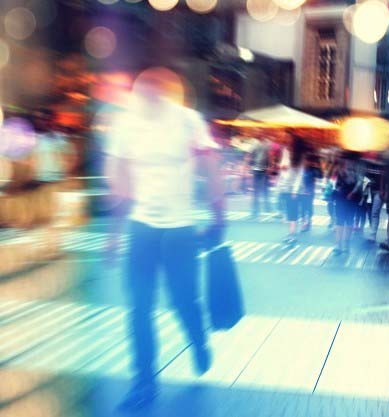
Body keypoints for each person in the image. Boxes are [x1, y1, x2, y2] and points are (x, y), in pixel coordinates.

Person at [104, 67, 226, 410]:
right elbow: (121, 182)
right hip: (141, 228)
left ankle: (198, 338)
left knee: (182, 299)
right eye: (143, 91)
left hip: (180, 230)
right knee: (138, 307)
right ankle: (144, 382)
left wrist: (220, 216)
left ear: (167, 92)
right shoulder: (124, 125)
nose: (148, 96)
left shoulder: (188, 121)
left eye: (155, 90)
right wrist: (114, 235)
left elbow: (211, 168)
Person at [333, 155, 363, 254]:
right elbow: (334, 180)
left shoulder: (357, 164)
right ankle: (338, 245)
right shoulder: (340, 163)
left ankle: (345, 244)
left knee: (349, 220)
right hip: (341, 197)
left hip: (351, 197)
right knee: (340, 221)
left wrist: (353, 192)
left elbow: (359, 181)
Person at [249, 136, 271, 218]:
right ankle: (255, 211)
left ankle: (266, 207)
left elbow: (269, 156)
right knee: (256, 191)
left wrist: (269, 167)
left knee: (264, 189)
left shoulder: (267, 143)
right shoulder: (254, 142)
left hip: (264, 169)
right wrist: (249, 165)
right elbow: (250, 155)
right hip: (256, 169)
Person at [299, 154, 321, 232]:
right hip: (300, 191)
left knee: (308, 208)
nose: (305, 162)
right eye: (304, 160)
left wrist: (318, 165)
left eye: (307, 161)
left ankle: (308, 222)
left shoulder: (313, 169)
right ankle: (304, 223)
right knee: (302, 208)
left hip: (309, 192)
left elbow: (320, 175)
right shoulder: (300, 169)